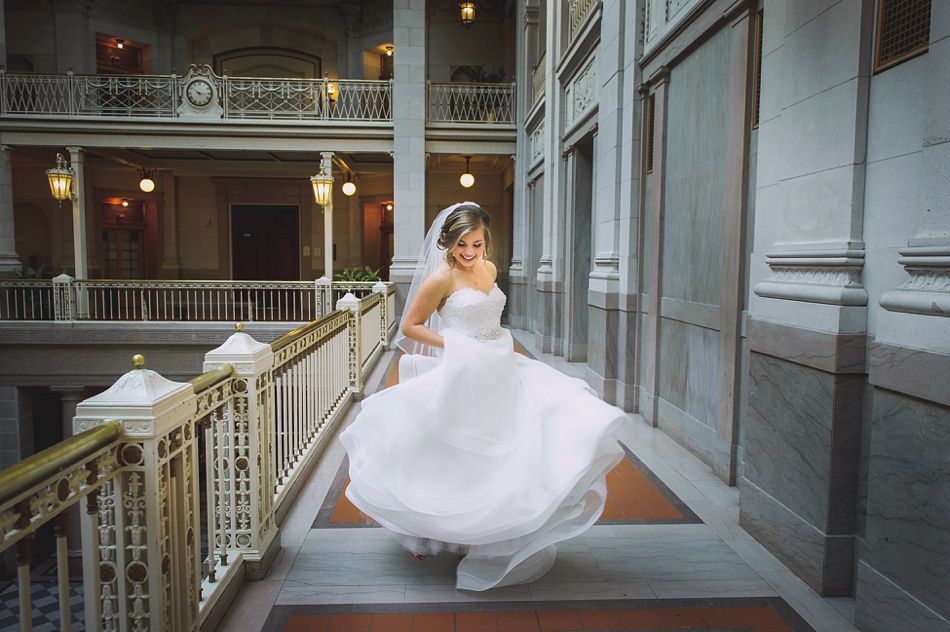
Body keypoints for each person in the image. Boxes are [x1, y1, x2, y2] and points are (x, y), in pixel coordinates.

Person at [339, 201, 635, 591]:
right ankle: (443, 527)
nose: (469, 252)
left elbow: (492, 319)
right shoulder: (440, 279)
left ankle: (495, 531)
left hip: (500, 365)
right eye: (462, 244)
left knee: (532, 433)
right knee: (461, 453)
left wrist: (490, 345)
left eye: (476, 244)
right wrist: (452, 343)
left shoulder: (490, 269)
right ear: (448, 243)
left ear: (486, 241)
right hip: (465, 370)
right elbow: (409, 327)